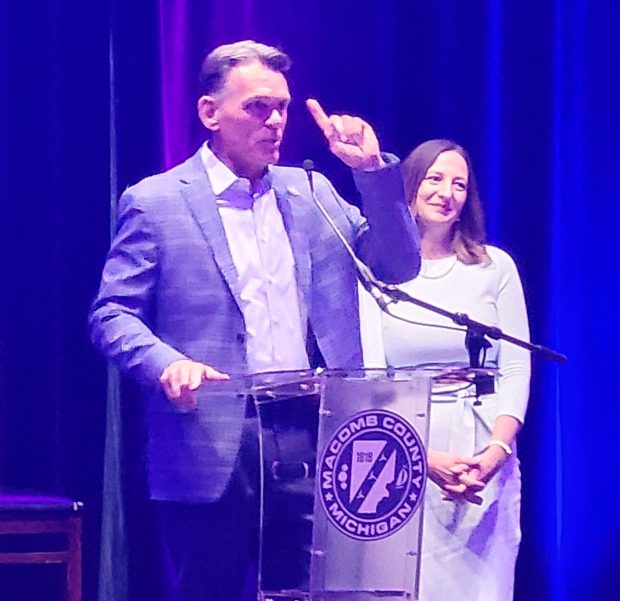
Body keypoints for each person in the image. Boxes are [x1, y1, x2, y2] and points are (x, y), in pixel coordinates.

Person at [89, 40, 420, 601]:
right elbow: (111, 313)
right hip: (211, 435)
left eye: (282, 107)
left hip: (313, 429)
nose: (274, 121)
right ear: (209, 113)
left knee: (313, 591)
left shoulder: (312, 190)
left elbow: (398, 264)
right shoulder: (156, 201)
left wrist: (370, 172)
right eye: (257, 107)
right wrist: (166, 363)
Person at [360, 139, 530, 601]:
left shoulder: (495, 267)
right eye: (434, 178)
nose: (446, 191)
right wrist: (423, 457)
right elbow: (373, 375)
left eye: (459, 183)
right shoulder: (375, 272)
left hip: (483, 445)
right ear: (409, 188)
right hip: (402, 447)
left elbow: (516, 365)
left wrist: (496, 452)